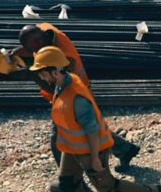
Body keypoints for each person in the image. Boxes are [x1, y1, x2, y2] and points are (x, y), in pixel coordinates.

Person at [31, 46, 161, 192]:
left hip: (91, 150)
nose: (42, 79)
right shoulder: (63, 83)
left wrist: (94, 158)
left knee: (107, 187)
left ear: (54, 72)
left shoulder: (77, 99)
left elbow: (92, 131)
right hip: (71, 148)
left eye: (43, 74)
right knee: (67, 183)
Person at [15, 23, 140, 172]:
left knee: (59, 139)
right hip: (76, 92)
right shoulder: (44, 30)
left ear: (39, 43)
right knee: (92, 127)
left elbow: (56, 88)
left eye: (32, 50)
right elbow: (37, 48)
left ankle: (70, 184)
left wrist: (32, 76)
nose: (32, 53)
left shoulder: (66, 59)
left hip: (75, 95)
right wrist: (16, 52)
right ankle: (124, 150)